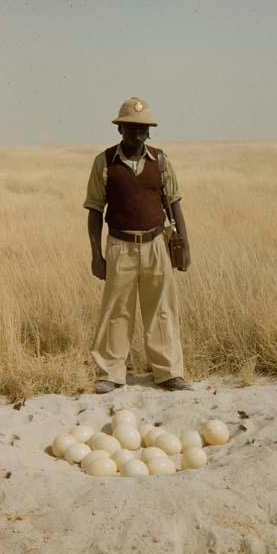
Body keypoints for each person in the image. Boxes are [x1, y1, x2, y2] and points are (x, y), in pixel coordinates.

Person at [83, 96, 193, 394]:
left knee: (162, 309)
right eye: (131, 128)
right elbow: (94, 210)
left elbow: (174, 203)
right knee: (117, 310)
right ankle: (110, 373)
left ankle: (169, 372)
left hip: (157, 243)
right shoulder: (104, 162)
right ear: (120, 129)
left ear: (149, 131)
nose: (137, 133)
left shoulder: (161, 160)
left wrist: (184, 244)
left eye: (143, 128)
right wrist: (97, 255)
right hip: (120, 245)